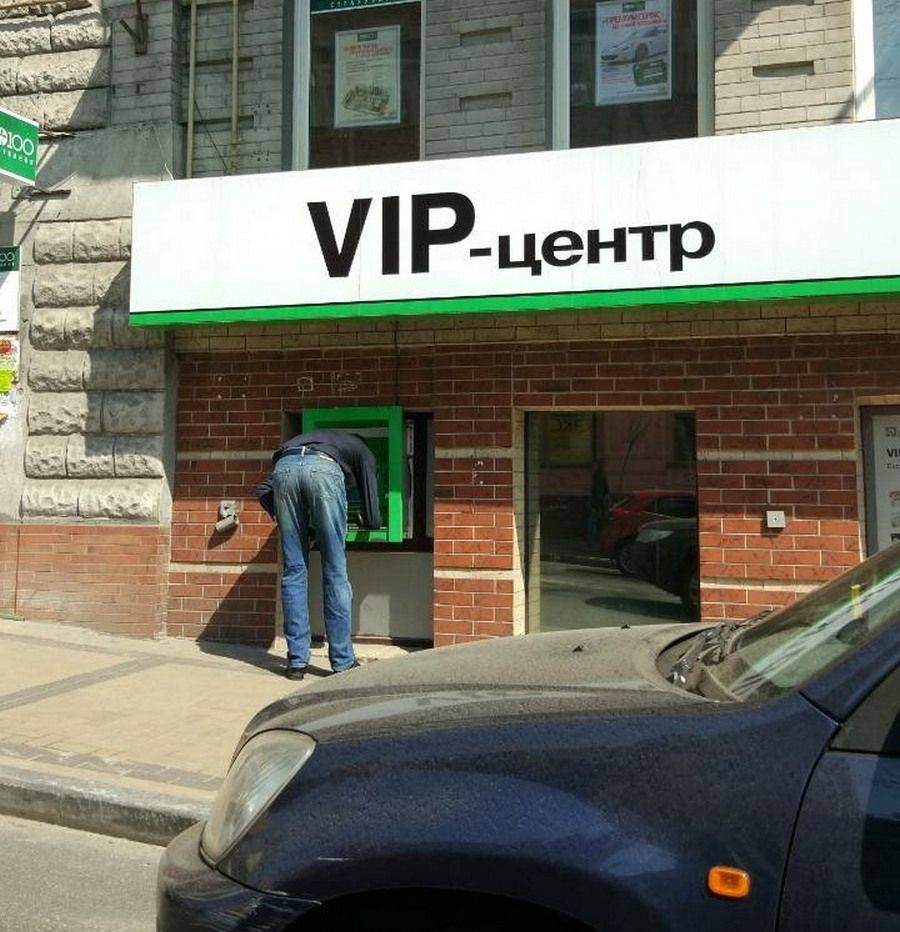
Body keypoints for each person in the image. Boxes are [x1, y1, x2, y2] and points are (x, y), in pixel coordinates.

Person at [254, 429, 382, 680]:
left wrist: (303, 528)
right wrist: (369, 521)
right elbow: (372, 509)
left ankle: (296, 663)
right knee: (335, 571)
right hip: (323, 470)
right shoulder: (362, 451)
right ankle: (342, 661)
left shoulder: (317, 438)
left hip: (284, 467)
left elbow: (263, 489)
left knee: (294, 571)